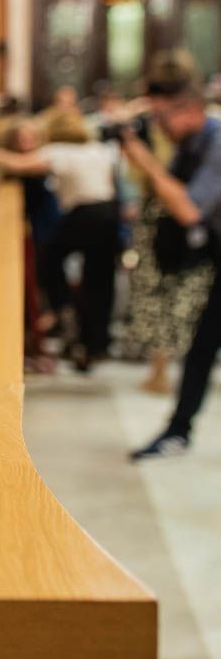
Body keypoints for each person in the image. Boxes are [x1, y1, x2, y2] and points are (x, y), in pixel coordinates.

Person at [122, 69, 221, 459]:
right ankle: (179, 430)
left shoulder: (216, 143)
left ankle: (179, 428)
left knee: (204, 344)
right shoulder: (191, 142)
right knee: (202, 345)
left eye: (162, 117)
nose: (158, 127)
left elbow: (189, 209)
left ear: (191, 109)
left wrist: (145, 160)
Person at [0, 109, 121, 370]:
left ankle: (63, 308)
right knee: (100, 278)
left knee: (49, 257)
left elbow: (21, 164)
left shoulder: (58, 150)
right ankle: (97, 341)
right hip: (109, 212)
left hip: (84, 212)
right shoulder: (98, 148)